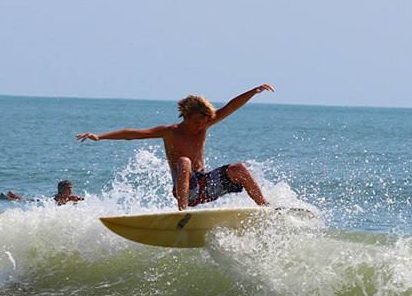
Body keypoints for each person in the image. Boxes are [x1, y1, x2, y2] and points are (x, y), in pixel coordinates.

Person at [76, 84, 275, 210]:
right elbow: (132, 134)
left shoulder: (205, 124)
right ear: (186, 117)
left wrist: (253, 91)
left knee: (238, 168)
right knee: (184, 161)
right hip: (186, 192)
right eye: (196, 121)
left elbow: (230, 107)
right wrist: (99, 136)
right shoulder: (170, 132)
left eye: (204, 121)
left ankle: (266, 208)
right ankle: (183, 212)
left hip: (206, 186)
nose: (200, 125)